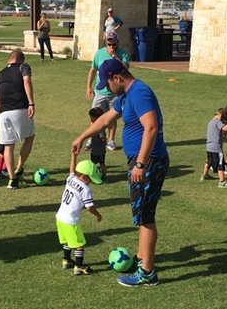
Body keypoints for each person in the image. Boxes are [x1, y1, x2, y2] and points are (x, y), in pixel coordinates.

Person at [72, 60, 168, 287]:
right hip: (141, 161)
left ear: (118, 77)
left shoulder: (139, 93)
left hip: (148, 162)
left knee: (145, 216)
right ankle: (142, 258)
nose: (107, 88)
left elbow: (151, 127)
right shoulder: (126, 95)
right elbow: (105, 119)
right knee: (142, 214)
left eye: (107, 83)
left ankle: (147, 273)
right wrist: (82, 137)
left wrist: (141, 164)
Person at [56, 152, 103, 276]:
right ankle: (79, 266)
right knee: (80, 244)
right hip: (71, 221)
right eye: (90, 179)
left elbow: (72, 170)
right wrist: (98, 215)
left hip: (60, 217)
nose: (91, 182)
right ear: (84, 176)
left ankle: (66, 260)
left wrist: (73, 156)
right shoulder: (85, 189)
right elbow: (89, 207)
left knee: (67, 240)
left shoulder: (71, 178)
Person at [0, 50, 36, 189]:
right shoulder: (23, 67)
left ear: (9, 60)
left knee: (8, 146)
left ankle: (12, 179)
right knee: (30, 137)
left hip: (4, 113)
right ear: (21, 59)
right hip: (20, 109)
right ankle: (19, 168)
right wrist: (31, 103)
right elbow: (27, 81)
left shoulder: (0, 74)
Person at [85, 32, 130, 151]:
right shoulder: (99, 53)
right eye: (109, 44)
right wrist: (88, 87)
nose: (111, 47)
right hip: (100, 91)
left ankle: (111, 140)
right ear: (106, 42)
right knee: (95, 116)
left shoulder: (123, 53)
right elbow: (93, 70)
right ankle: (91, 139)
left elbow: (126, 69)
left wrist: (115, 56)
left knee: (112, 117)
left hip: (115, 92)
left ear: (117, 43)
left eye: (114, 44)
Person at [203, 108, 227, 187]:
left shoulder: (210, 122)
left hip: (208, 146)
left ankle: (205, 175)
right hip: (216, 147)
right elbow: (224, 128)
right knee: (220, 163)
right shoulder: (218, 122)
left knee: (209, 161)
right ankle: (222, 181)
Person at [88, 107, 108, 181]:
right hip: (95, 149)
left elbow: (103, 138)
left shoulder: (99, 127)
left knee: (101, 163)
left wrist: (104, 142)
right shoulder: (95, 124)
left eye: (91, 117)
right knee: (95, 163)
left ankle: (104, 176)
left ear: (96, 118)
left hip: (99, 150)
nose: (90, 119)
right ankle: (95, 174)